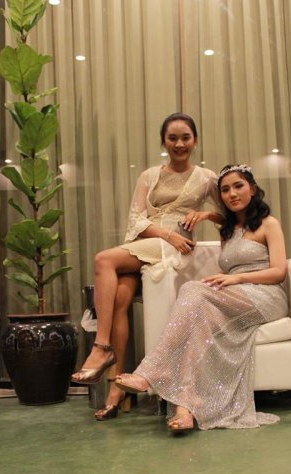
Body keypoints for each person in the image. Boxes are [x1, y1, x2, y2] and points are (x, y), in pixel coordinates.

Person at [71, 113, 223, 420]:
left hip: (176, 247)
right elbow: (135, 220)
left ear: (195, 140)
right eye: (172, 138)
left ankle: (101, 347)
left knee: (103, 259)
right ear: (163, 142)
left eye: (185, 137)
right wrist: (165, 233)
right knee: (120, 299)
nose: (179, 144)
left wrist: (204, 215)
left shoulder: (207, 178)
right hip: (148, 242)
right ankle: (117, 389)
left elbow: (229, 215)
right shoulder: (149, 175)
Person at [115, 164, 289, 432]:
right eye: (225, 190)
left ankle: (150, 372)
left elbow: (279, 272)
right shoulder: (228, 231)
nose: (232, 194)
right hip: (237, 297)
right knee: (198, 323)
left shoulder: (269, 224)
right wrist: (209, 216)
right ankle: (185, 409)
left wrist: (236, 279)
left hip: (265, 296)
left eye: (238, 186)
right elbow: (226, 241)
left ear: (253, 189)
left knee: (192, 289)